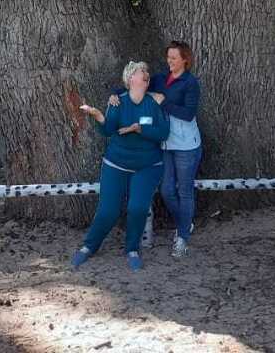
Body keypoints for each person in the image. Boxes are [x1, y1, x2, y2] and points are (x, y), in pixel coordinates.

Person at [72, 61, 170, 272]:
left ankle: (132, 249)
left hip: (148, 165)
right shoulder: (118, 102)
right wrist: (97, 115)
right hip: (116, 164)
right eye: (140, 71)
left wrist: (139, 129)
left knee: (137, 208)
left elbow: (163, 133)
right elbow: (108, 130)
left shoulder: (154, 103)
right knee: (108, 211)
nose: (146, 74)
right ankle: (89, 246)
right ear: (130, 79)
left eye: (147, 71)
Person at [150, 41, 201, 258]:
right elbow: (138, 83)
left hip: (187, 145)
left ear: (185, 60)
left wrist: (162, 102)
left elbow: (188, 114)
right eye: (168, 57)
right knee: (166, 190)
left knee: (184, 191)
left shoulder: (190, 82)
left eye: (174, 58)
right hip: (166, 143)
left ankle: (182, 238)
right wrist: (116, 92)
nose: (169, 61)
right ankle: (185, 223)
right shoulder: (161, 78)